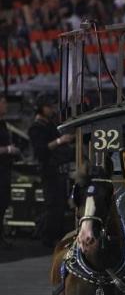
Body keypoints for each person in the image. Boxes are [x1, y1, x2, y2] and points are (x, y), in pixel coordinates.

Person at [28, 93, 75, 248]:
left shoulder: (49, 124)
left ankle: (56, 237)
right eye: (49, 106)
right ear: (41, 108)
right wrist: (60, 140)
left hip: (59, 169)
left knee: (60, 205)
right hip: (49, 170)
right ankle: (48, 238)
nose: (52, 109)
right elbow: (41, 150)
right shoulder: (36, 128)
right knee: (52, 205)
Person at [0, 95, 21, 249]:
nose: (6, 106)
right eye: (3, 102)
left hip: (5, 169)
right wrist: (7, 149)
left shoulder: (3, 124)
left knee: (3, 204)